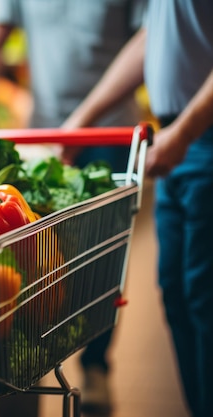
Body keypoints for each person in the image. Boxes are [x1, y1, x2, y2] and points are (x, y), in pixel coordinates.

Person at [0, 0, 147, 412]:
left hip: (110, 133)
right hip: (41, 133)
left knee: (101, 259)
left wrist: (79, 125)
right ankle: (39, 361)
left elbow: (148, 37)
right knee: (40, 262)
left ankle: (98, 364)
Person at [62, 2, 213, 416]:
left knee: (204, 297)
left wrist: (185, 130)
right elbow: (152, 37)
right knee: (180, 294)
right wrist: (82, 120)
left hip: (199, 134)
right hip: (178, 136)